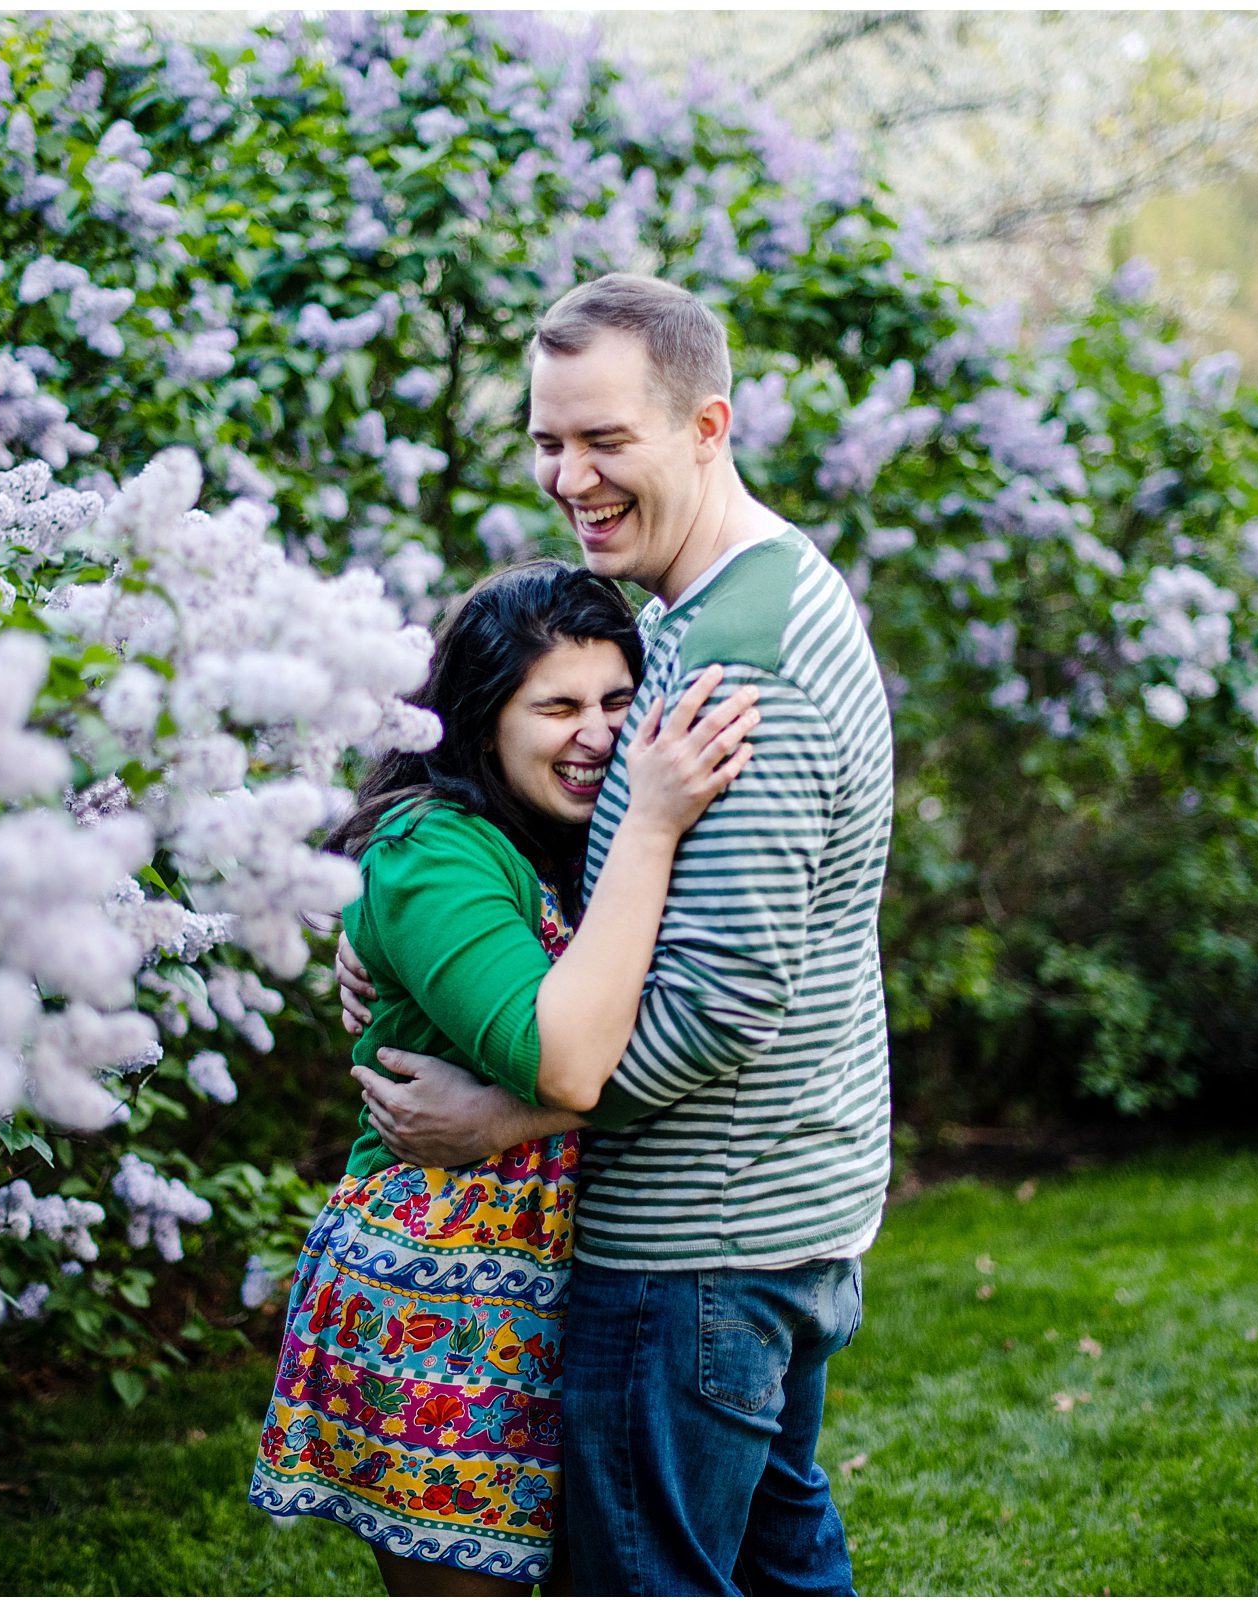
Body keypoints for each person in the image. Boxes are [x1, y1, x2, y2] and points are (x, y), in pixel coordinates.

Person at [345, 273, 897, 1595]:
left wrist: (509, 1119)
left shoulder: (738, 673)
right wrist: (403, 925)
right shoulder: (716, 603)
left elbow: (712, 1003)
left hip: (700, 1244)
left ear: (708, 426)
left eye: (605, 440)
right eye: (548, 440)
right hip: (777, 1207)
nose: (569, 475)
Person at [247, 558, 762, 1594]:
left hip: (560, 1282)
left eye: (620, 700)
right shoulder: (432, 846)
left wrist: (497, 1116)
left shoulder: (571, 838)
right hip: (438, 1299)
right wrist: (656, 820)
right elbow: (564, 1054)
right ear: (482, 720)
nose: (600, 733)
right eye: (558, 705)